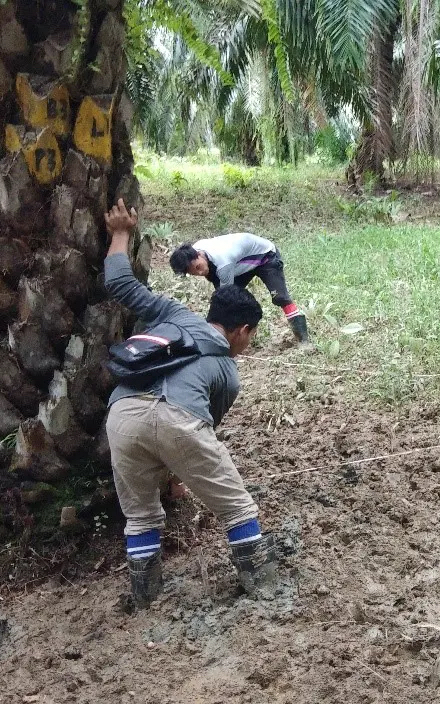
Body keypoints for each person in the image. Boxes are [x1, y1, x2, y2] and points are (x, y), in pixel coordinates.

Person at [104, 199, 278, 607]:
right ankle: (268, 592)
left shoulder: (175, 313)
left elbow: (119, 284)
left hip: (121, 417)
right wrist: (180, 476)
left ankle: (145, 599)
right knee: (237, 508)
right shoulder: (227, 375)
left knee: (141, 517)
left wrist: (121, 232)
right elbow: (196, 432)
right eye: (250, 337)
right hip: (178, 420)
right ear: (242, 330)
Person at [169, 233, 311, 346]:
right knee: (226, 302)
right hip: (240, 265)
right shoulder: (195, 251)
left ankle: (303, 340)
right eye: (193, 272)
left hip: (265, 256)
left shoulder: (223, 262)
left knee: (280, 297)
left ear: (199, 255)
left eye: (198, 267)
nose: (199, 273)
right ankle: (236, 336)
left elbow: (226, 300)